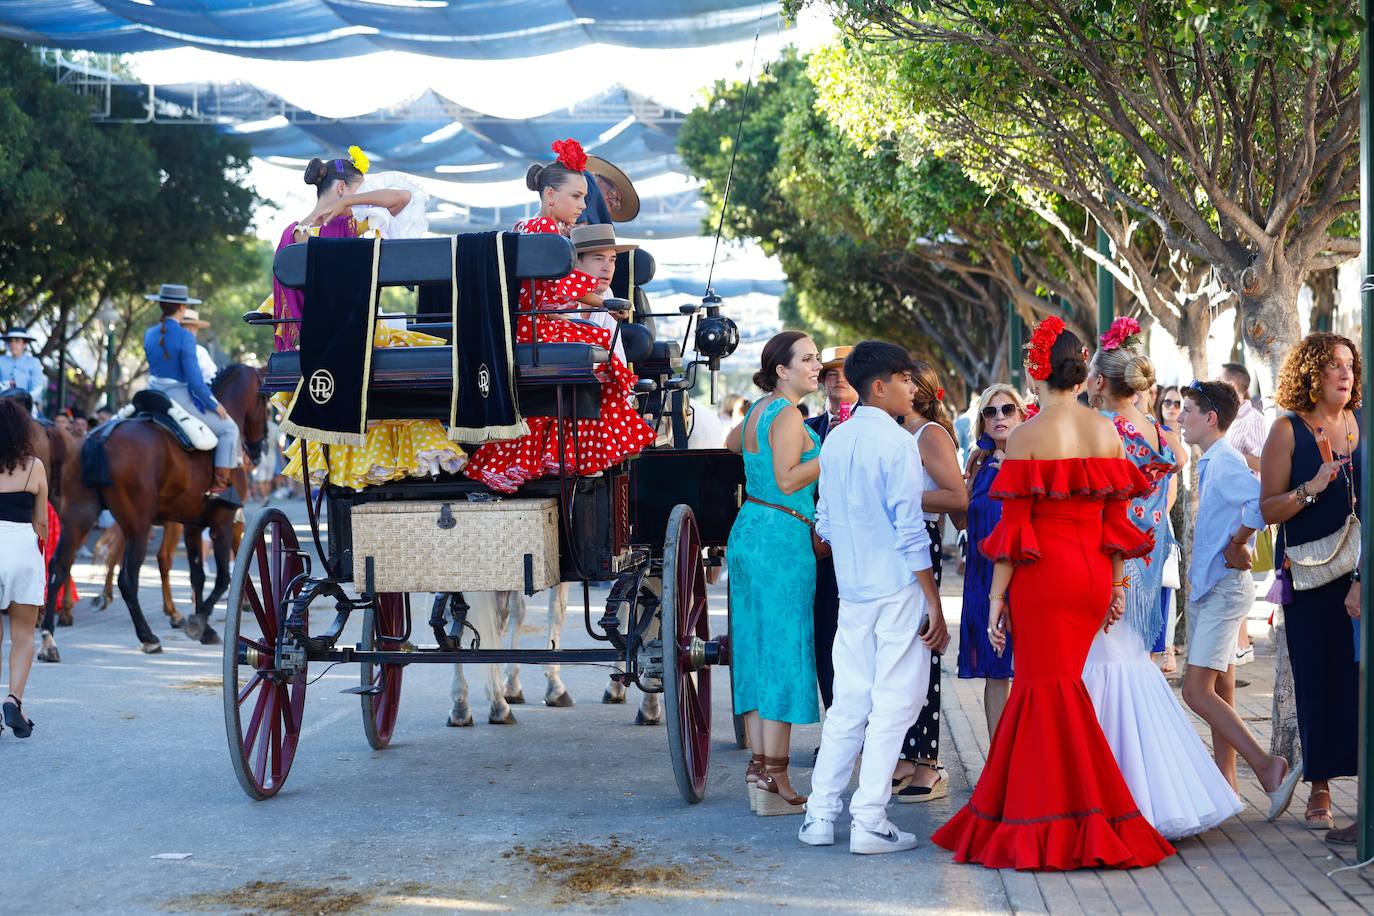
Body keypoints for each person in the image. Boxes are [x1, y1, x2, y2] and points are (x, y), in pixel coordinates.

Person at [932, 317, 1173, 870]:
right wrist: (1113, 585)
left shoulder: (1025, 436)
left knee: (1043, 692)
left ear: (1035, 370)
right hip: (1091, 576)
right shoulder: (1106, 430)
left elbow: (1015, 536)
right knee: (1056, 692)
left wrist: (995, 601)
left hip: (1045, 578)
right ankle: (1046, 812)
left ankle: (1058, 821)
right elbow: (1118, 518)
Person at [1082, 319, 1241, 839]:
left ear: (1102, 382)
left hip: (1109, 561)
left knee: (1106, 666)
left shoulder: (1101, 431)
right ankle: (1161, 788)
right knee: (1132, 664)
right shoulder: (1160, 432)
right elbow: (1165, 498)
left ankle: (1117, 794)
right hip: (1147, 560)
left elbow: (1099, 503)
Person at [800, 341, 947, 854]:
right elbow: (910, 529)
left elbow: (825, 522)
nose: (912, 386)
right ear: (880, 385)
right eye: (905, 378)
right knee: (893, 704)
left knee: (848, 704)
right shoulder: (896, 443)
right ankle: (868, 819)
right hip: (896, 587)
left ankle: (820, 816)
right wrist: (933, 600)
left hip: (855, 589)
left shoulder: (836, 440)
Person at [463, 140, 655, 492]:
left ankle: (564, 453)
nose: (583, 205)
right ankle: (583, 454)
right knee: (605, 346)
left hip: (529, 326)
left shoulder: (530, 226)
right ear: (550, 196)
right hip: (533, 329)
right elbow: (566, 286)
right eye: (576, 196)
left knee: (599, 344)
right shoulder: (545, 232)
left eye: (584, 197)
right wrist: (604, 304)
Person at [277, 149, 466, 491]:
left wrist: (350, 200)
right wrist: (349, 205)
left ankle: (356, 462)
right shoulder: (349, 224)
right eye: (357, 191)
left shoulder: (294, 234)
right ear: (340, 190)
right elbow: (402, 199)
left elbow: (401, 198)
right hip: (353, 331)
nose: (363, 201)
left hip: (318, 338)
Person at [1177, 380, 1301, 807]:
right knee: (1222, 689)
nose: (1179, 417)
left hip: (1224, 590)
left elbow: (1259, 503)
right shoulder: (1215, 460)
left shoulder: (1226, 460)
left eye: (1187, 410)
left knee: (1195, 692)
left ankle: (1267, 768)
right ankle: (1226, 786)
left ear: (1210, 419)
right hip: (1217, 587)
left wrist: (1237, 543)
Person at [1259, 332, 1362, 843]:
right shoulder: (1287, 431)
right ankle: (1320, 787)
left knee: (1358, 681)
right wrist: (1310, 488)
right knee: (1318, 677)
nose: (1344, 373)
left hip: (1361, 573)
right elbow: (1269, 509)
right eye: (1333, 366)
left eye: (1349, 365)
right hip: (1311, 575)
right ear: (1311, 373)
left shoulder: (1363, 424)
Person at [724, 331, 823, 816]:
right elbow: (788, 478)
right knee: (782, 649)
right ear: (781, 369)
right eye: (806, 359)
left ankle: (763, 768)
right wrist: (831, 455)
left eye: (816, 358)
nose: (816, 365)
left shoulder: (758, 411)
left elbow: (731, 445)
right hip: (782, 538)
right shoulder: (786, 413)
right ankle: (776, 775)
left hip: (750, 530)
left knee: (758, 647)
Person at [891, 362, 965, 802]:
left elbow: (957, 496)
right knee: (901, 652)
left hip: (922, 541)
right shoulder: (897, 433)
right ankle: (905, 752)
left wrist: (901, 498)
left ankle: (929, 762)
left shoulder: (930, 435)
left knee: (924, 648)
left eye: (904, 379)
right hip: (896, 548)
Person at [956, 383, 1025, 739]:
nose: (999, 417)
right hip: (983, 577)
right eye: (990, 412)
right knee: (995, 672)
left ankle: (1025, 761)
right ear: (982, 421)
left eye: (1007, 409)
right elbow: (965, 519)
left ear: (1022, 414)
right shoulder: (980, 464)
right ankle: (998, 760)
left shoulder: (1031, 460)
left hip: (1023, 575)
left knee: (1025, 671)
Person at [142, 284, 241, 497]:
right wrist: (214, 404)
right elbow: (195, 382)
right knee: (229, 429)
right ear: (182, 307)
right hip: (178, 397)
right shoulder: (186, 336)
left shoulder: (149, 334)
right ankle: (220, 484)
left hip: (151, 394)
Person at [807, 345, 858, 712]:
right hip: (821, 551)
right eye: (830, 374)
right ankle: (836, 722)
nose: (838, 379)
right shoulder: (808, 430)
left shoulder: (878, 427)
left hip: (863, 551)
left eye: (845, 372)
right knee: (824, 637)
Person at [0, 398, 47, 738]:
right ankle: (14, 699)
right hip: (21, 549)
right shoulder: (35, 467)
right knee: (23, 635)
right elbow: (42, 523)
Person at [1220, 362, 1268, 667]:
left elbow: (1266, 463)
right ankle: (1236, 644)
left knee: (1237, 574)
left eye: (1222, 382)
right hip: (1222, 508)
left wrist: (1231, 457)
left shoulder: (1253, 420)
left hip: (1243, 511)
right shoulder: (1225, 417)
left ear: (1238, 387)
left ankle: (1240, 644)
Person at [1153, 384, 1186, 674]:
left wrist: (1154, 518)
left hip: (1158, 521)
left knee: (1166, 584)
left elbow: (1174, 480)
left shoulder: (1162, 434)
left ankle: (1166, 646)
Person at [0, 327, 45, 416]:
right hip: (2, 404)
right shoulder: (1, 360)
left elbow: (37, 388)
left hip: (27, 406)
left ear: (24, 344)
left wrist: (24, 400)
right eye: (11, 341)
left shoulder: (33, 362)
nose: (13, 344)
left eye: (17, 341)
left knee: (43, 426)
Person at [179, 307, 219, 383]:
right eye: (186, 327)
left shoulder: (200, 351)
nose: (190, 331)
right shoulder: (199, 351)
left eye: (193, 328)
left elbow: (211, 376)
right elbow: (211, 378)